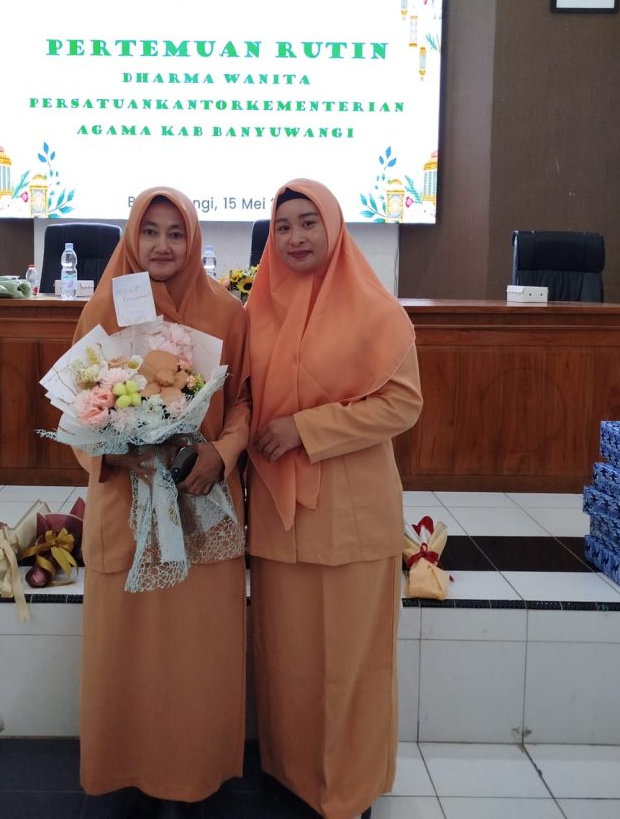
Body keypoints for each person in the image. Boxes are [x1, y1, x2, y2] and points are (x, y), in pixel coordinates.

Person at [245, 178, 423, 819]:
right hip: (279, 515)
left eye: (308, 222)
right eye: (283, 226)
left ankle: (349, 786)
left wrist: (306, 428)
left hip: (350, 513)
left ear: (334, 227)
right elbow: (238, 394)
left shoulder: (376, 310)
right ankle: (294, 775)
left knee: (351, 663)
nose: (294, 237)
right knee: (289, 659)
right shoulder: (257, 311)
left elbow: (402, 404)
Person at [72, 186, 251, 817]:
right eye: (150, 231)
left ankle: (192, 771)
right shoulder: (106, 305)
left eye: (176, 233)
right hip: (128, 502)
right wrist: (111, 453)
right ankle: (129, 769)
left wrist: (222, 452)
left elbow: (246, 400)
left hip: (201, 495)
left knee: (195, 652)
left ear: (194, 240)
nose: (162, 245)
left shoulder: (227, 311)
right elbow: (79, 403)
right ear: (132, 236)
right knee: (129, 651)